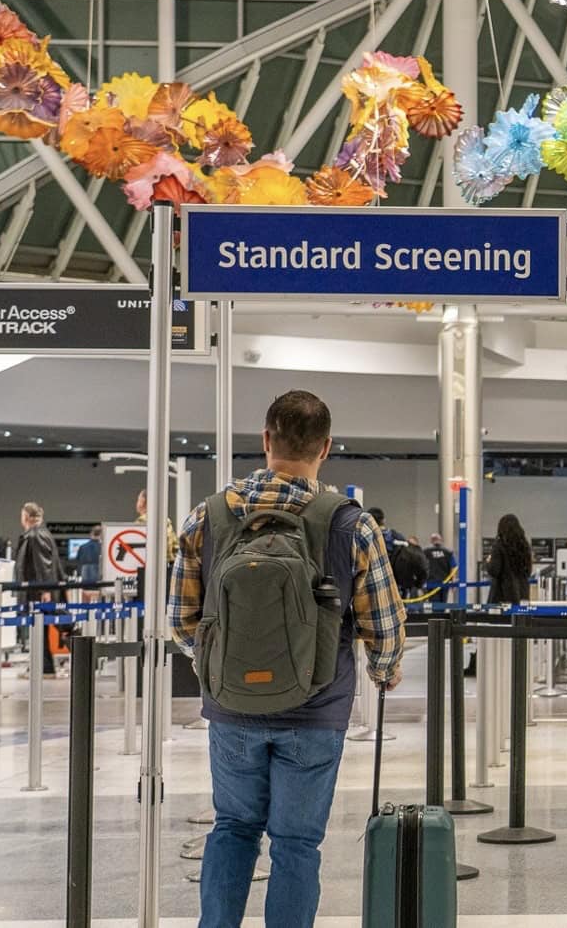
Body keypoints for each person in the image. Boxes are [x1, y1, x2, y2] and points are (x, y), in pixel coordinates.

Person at [169, 389, 403, 928]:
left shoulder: (207, 517)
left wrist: (223, 669)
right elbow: (383, 627)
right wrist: (383, 670)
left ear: (266, 439)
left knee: (233, 827)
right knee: (297, 843)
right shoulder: (350, 524)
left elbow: (181, 623)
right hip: (316, 709)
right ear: (326, 447)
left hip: (232, 710)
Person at [15, 502, 63, 675]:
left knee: (42, 627)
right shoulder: (39, 534)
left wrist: (45, 590)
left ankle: (43, 666)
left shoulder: (35, 536)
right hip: (38, 590)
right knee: (40, 629)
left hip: (37, 592)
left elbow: (43, 565)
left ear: (26, 517)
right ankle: (43, 665)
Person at [487, 513, 534, 605]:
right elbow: (528, 571)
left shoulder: (499, 545)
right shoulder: (524, 546)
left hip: (503, 596)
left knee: (502, 619)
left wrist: (488, 562)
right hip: (522, 593)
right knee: (520, 618)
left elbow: (494, 570)